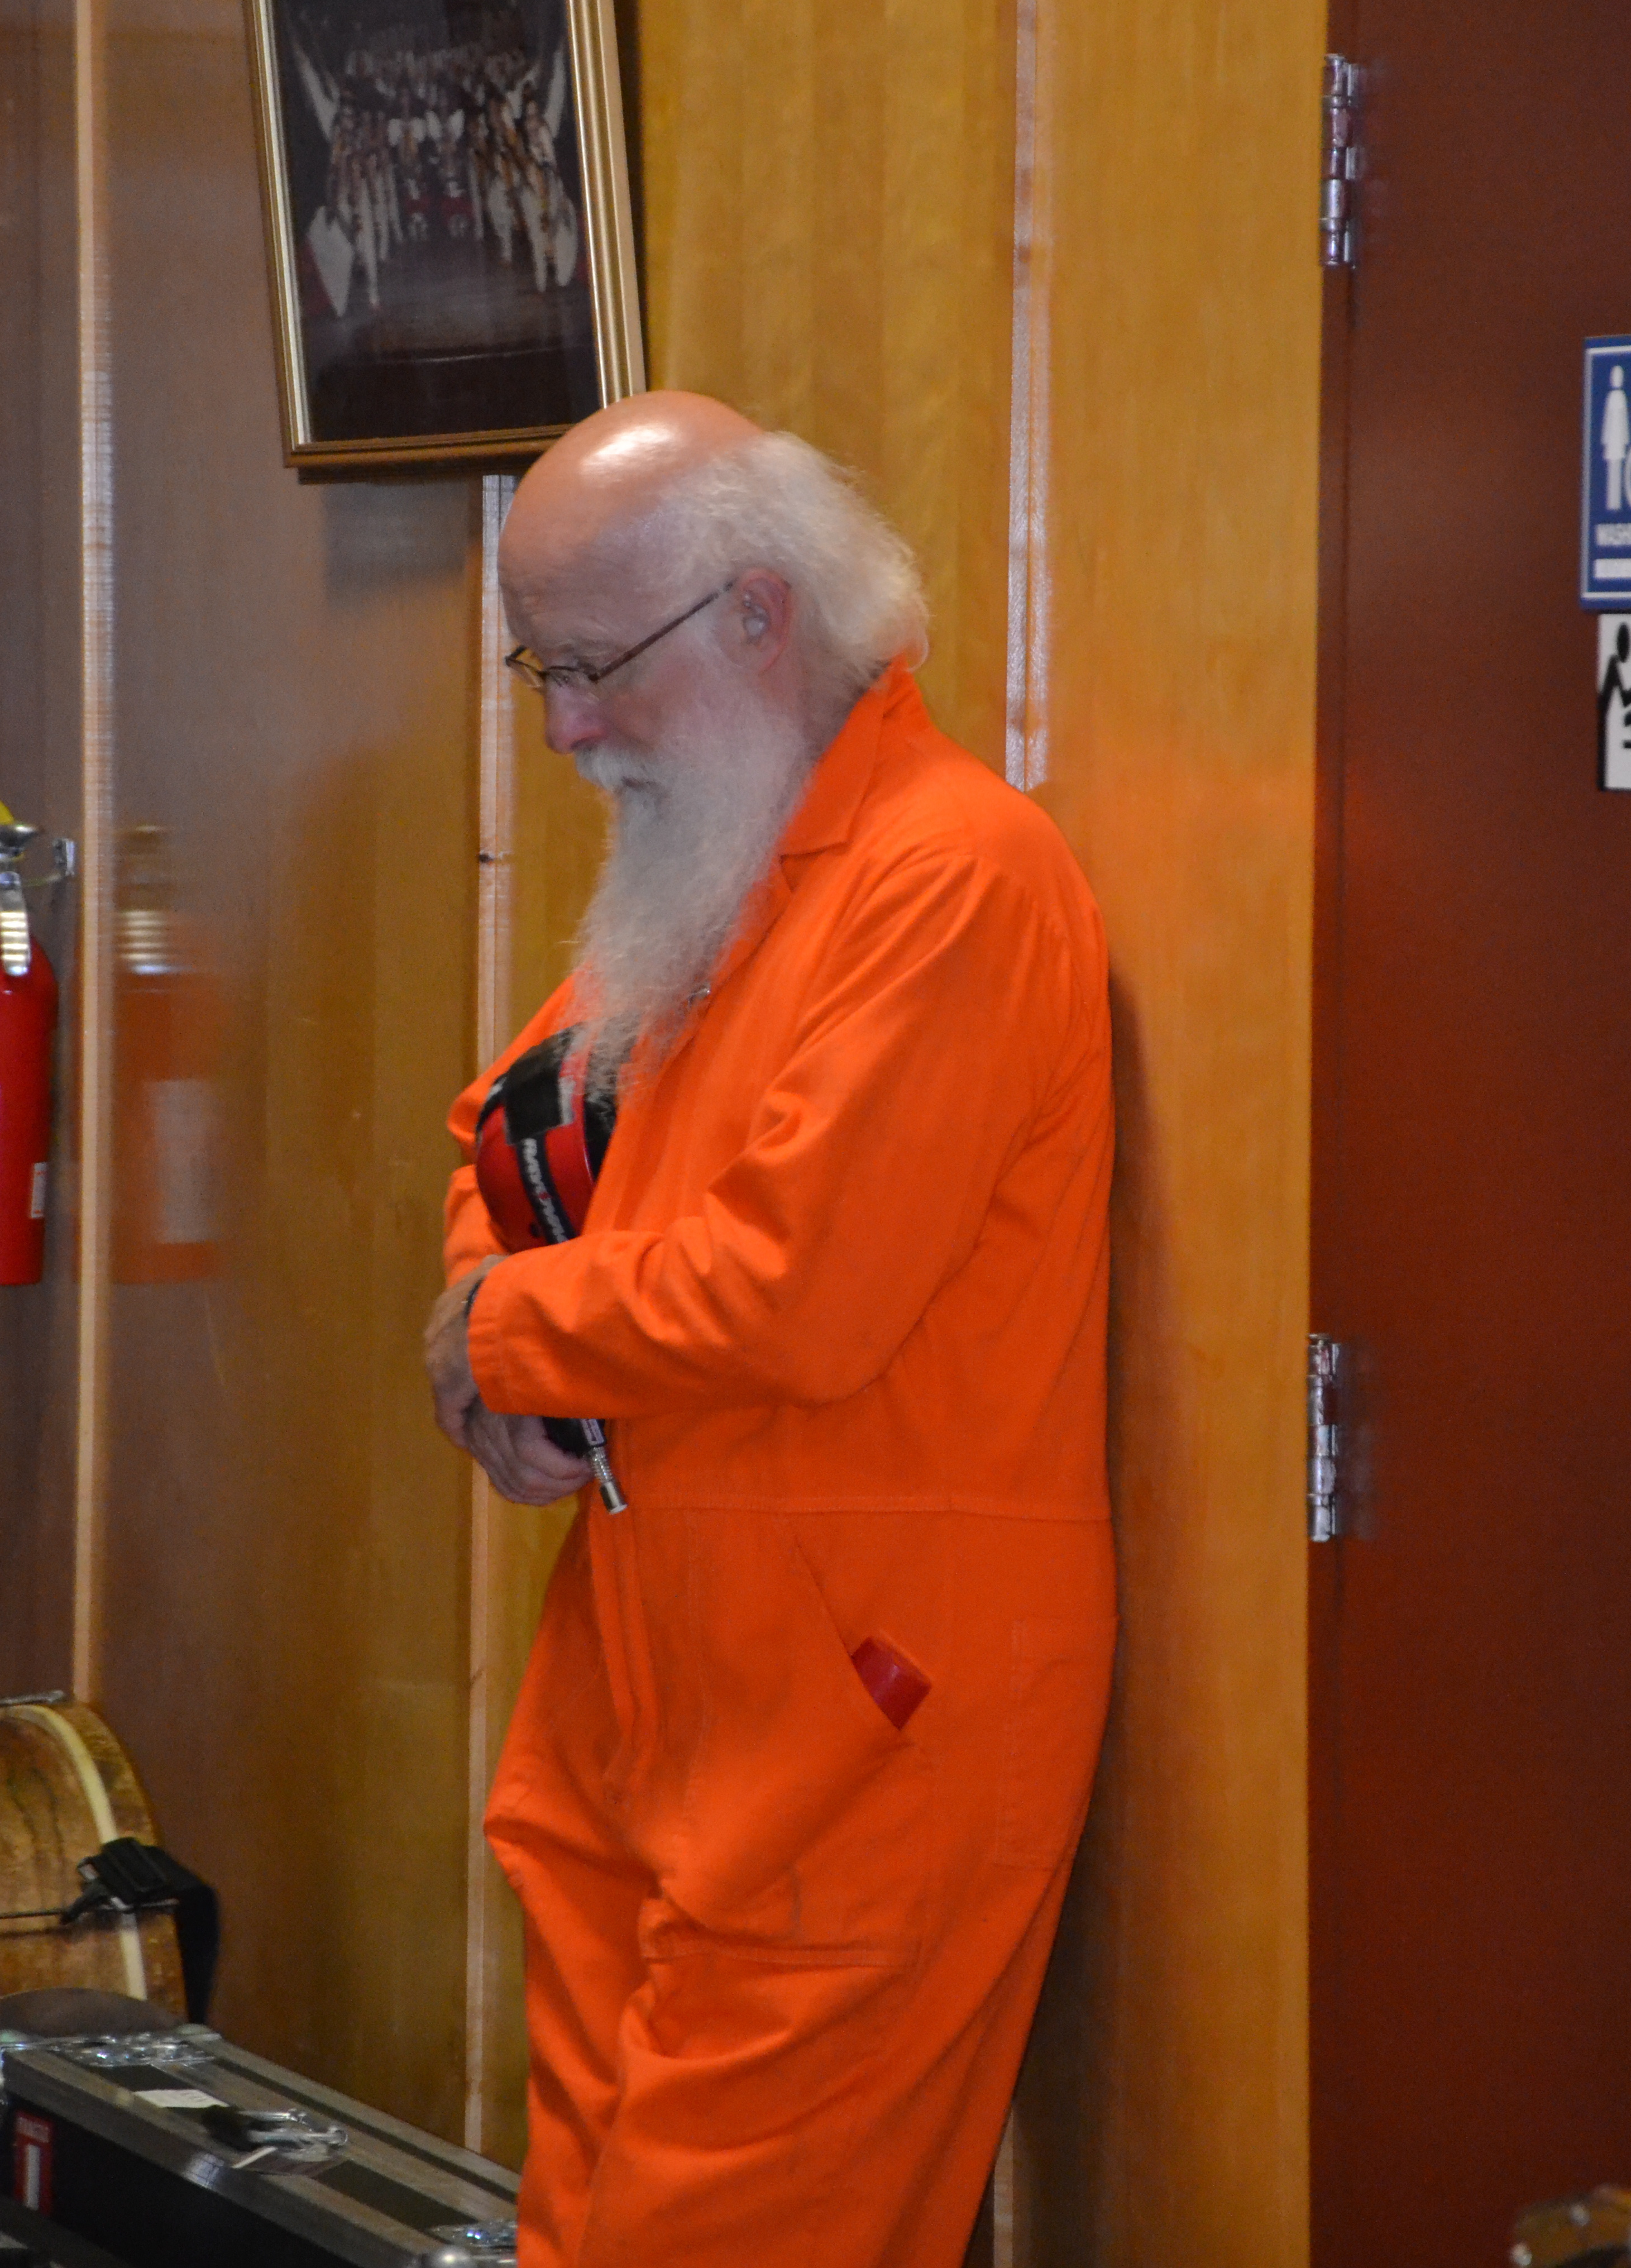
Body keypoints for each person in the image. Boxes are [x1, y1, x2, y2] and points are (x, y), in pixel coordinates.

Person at [424, 391, 1115, 2268]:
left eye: (590, 670)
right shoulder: (718, 858)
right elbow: (509, 1141)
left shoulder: (950, 876)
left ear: (758, 614)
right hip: (648, 1716)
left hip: (866, 1739)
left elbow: (791, 1291)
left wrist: (500, 1342)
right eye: (542, 672)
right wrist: (495, 1311)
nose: (564, 731)